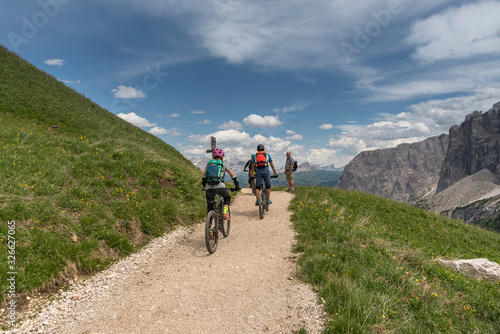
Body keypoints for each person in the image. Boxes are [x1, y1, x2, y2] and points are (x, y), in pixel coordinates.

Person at [202, 148, 240, 220]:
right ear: (222, 156)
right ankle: (225, 213)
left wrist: (205, 186)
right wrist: (237, 186)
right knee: (227, 197)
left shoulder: (209, 164)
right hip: (220, 186)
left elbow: (204, 178)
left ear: (213, 157)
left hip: (209, 187)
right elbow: (234, 177)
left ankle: (209, 226)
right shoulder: (224, 164)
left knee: (210, 208)